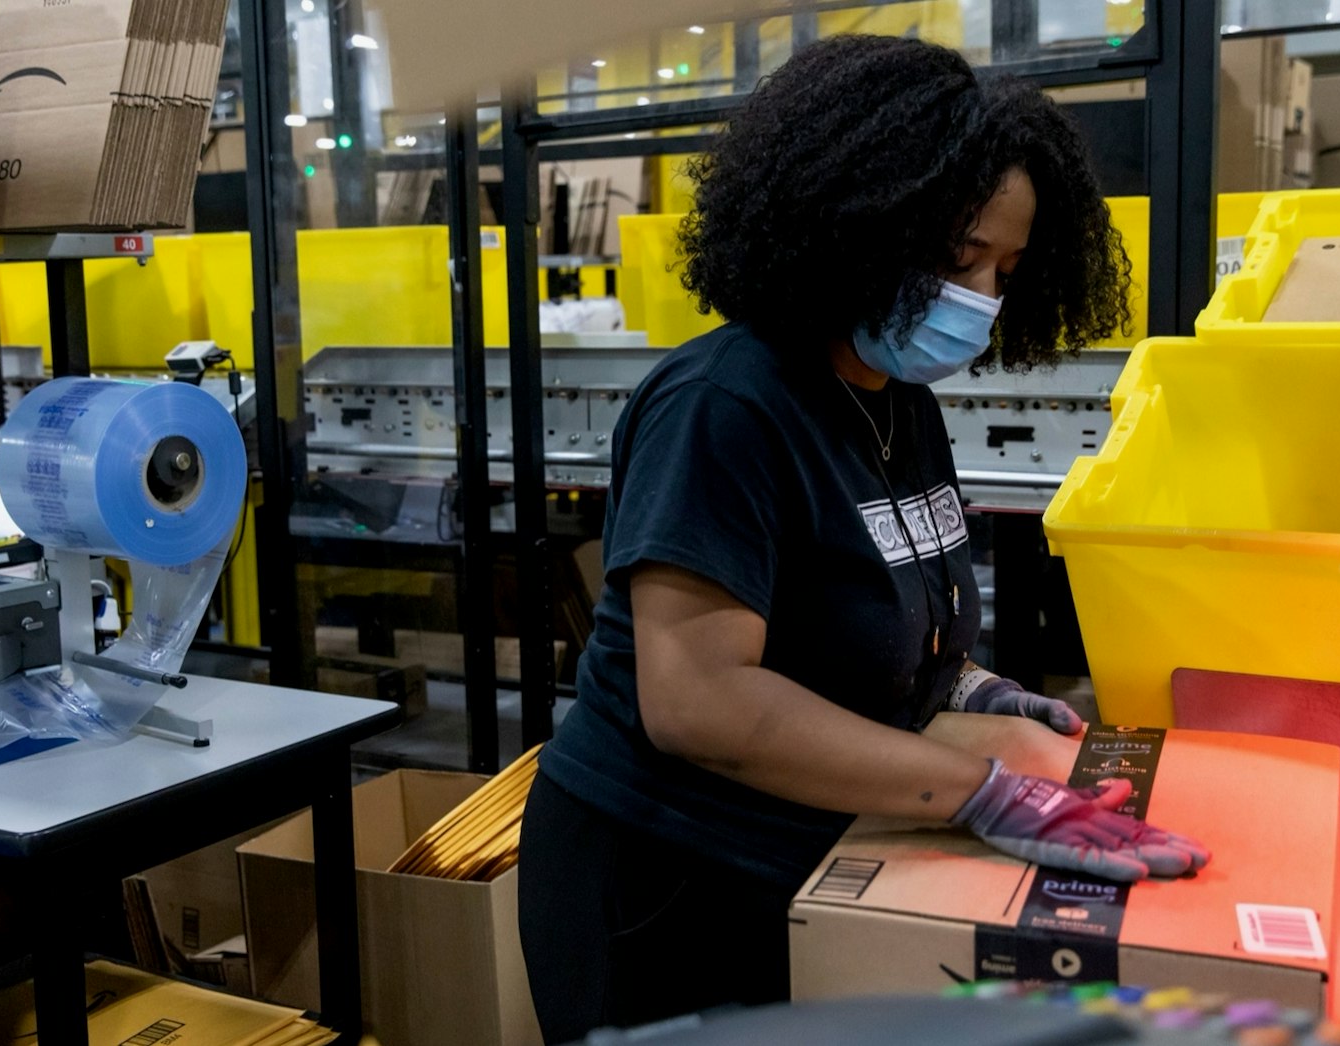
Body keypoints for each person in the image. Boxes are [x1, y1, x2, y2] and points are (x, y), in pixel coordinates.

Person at [516, 34, 1210, 1044]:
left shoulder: (897, 400)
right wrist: (985, 791)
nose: (978, 294)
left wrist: (960, 684)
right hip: (664, 878)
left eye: (1006, 269)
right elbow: (698, 701)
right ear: (856, 215)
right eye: (957, 254)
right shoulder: (725, 405)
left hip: (805, 845)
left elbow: (856, 608)